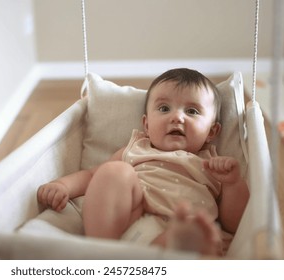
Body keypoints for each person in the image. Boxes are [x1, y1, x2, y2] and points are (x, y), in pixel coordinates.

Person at [37, 68, 249, 256]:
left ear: (212, 131)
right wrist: (63, 185)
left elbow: (234, 223)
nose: (177, 117)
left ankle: (182, 248)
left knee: (197, 234)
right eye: (164, 109)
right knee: (114, 172)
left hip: (179, 234)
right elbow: (93, 176)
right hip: (129, 227)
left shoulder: (214, 164)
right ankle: (101, 253)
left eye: (191, 111)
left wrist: (232, 183)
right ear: (146, 125)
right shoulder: (136, 148)